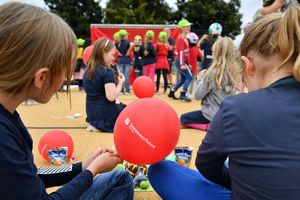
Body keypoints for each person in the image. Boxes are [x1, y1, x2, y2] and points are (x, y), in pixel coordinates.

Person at [149, 7, 300, 199]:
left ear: (248, 65)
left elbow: (206, 165)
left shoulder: (236, 107)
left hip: (214, 120)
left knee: (160, 169)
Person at [0, 2, 133, 200]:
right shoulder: (3, 136)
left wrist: (82, 166)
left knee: (120, 177)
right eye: (64, 71)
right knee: (119, 179)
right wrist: (92, 171)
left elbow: (31, 175)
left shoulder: (8, 116)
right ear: (41, 77)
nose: (65, 79)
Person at [181, 37, 240, 131]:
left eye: (213, 52)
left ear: (216, 54)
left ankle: (209, 126)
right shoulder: (234, 73)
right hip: (225, 117)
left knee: (182, 119)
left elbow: (197, 95)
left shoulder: (212, 73)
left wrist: (200, 78)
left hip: (209, 115)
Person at [83, 37, 126, 133]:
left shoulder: (88, 70)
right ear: (103, 53)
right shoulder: (107, 72)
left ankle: (96, 125)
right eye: (112, 54)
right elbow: (111, 97)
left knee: (121, 106)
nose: (113, 58)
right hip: (105, 113)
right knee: (128, 111)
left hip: (92, 113)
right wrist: (120, 83)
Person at [168, 19, 193, 102]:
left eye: (189, 26)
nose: (189, 27)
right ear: (182, 28)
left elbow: (187, 53)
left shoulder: (184, 38)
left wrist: (188, 63)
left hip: (182, 61)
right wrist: (182, 64)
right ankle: (183, 94)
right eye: (187, 26)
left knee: (183, 79)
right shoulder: (180, 39)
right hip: (180, 60)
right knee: (190, 77)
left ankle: (172, 91)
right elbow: (181, 52)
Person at [186, 32, 202, 98]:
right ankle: (189, 93)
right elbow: (200, 56)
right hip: (194, 67)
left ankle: (185, 92)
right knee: (192, 81)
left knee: (186, 80)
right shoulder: (196, 49)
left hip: (187, 66)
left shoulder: (186, 48)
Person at [115, 29, 131, 94]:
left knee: (121, 76)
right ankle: (127, 90)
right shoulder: (128, 42)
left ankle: (121, 90)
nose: (127, 36)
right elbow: (132, 44)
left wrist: (118, 52)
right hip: (127, 60)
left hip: (120, 60)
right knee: (126, 76)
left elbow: (113, 46)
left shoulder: (118, 43)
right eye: (127, 35)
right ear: (125, 36)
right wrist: (128, 51)